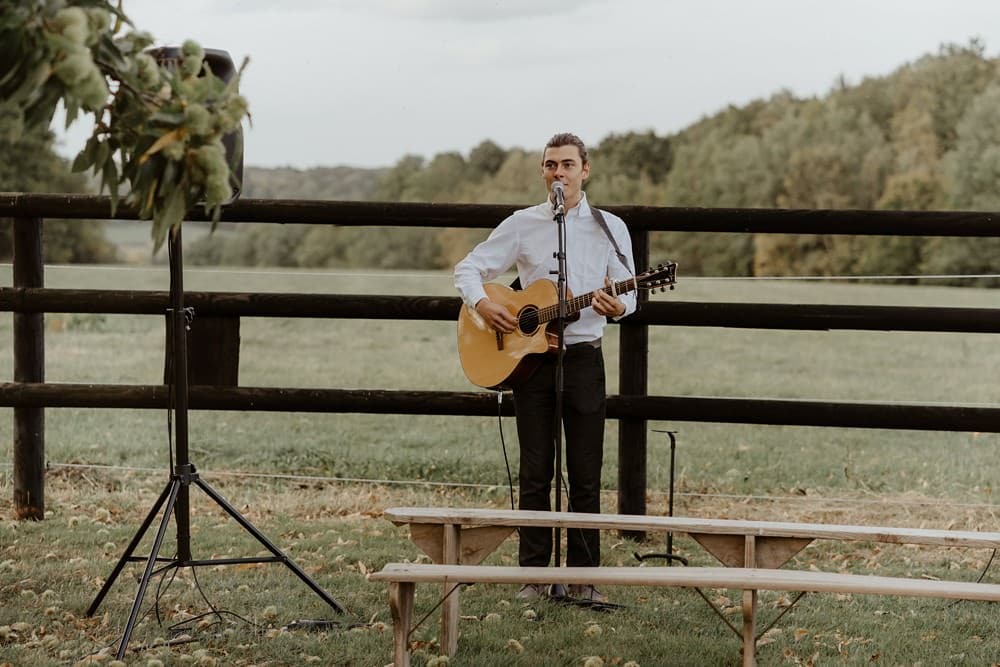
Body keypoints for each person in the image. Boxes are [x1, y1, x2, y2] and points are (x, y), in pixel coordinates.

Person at [454, 132, 638, 602]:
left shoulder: (610, 226)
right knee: (536, 471)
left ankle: (583, 579)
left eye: (568, 165)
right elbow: (468, 269)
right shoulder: (523, 223)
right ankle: (532, 577)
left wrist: (618, 308)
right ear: (543, 171)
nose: (559, 173)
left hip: (583, 359)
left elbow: (630, 292)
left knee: (585, 473)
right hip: (531, 362)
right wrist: (484, 306)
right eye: (550, 165)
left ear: (585, 170)